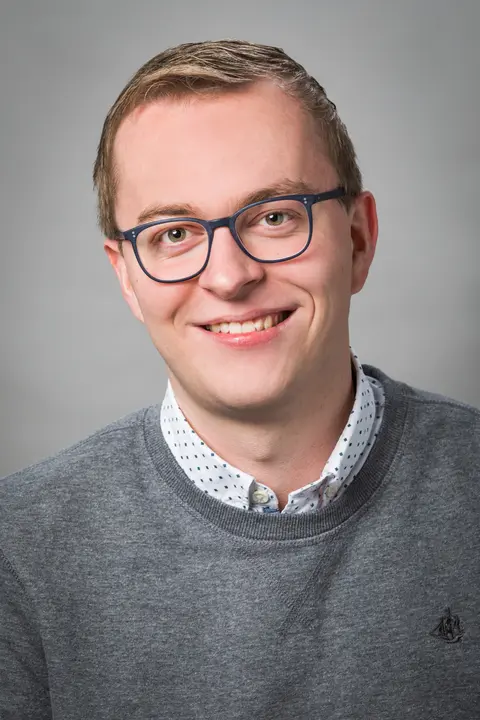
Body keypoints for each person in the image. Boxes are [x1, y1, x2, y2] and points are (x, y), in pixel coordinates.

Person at [1, 39, 479, 719]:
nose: (229, 277)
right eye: (174, 234)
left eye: (275, 216)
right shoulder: (16, 551)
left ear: (359, 239)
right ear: (127, 278)